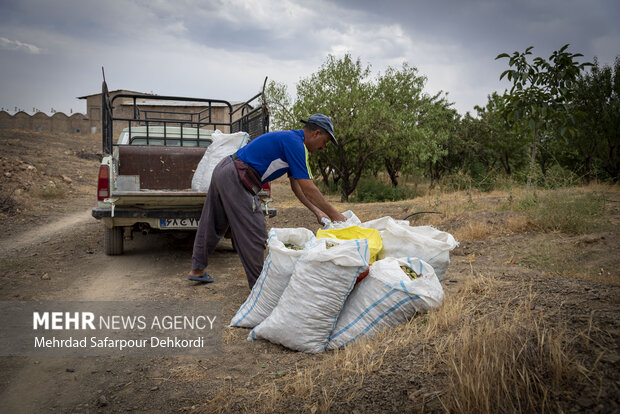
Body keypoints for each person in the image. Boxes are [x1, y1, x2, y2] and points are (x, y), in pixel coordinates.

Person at [188, 113, 347, 288]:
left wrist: (318, 212)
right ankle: (260, 288)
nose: (323, 148)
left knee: (212, 222)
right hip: (236, 176)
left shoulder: (292, 142)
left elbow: (297, 187)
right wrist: (335, 214)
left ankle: (197, 269)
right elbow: (309, 187)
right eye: (324, 142)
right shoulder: (296, 144)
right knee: (255, 230)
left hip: (224, 169)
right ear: (316, 133)